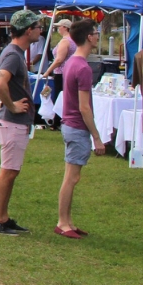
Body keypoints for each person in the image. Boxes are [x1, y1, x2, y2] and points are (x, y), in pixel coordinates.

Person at [0, 9, 44, 236]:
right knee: (8, 171)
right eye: (38, 27)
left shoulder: (12, 52)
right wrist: (11, 105)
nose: (41, 30)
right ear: (28, 30)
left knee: (11, 171)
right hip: (12, 122)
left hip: (14, 122)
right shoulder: (13, 54)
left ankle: (3, 216)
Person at [56, 19, 105, 238]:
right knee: (71, 178)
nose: (97, 36)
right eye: (95, 32)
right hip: (76, 126)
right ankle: (63, 222)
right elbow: (85, 108)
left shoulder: (72, 63)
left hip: (70, 124)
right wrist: (97, 137)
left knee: (71, 177)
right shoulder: (83, 67)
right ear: (88, 37)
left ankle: (67, 221)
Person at [42, 19, 76, 131]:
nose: (58, 29)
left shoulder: (66, 41)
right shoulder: (74, 40)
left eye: (59, 27)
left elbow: (59, 59)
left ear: (65, 28)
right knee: (66, 97)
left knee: (60, 97)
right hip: (69, 72)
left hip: (62, 73)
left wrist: (47, 71)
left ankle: (57, 121)